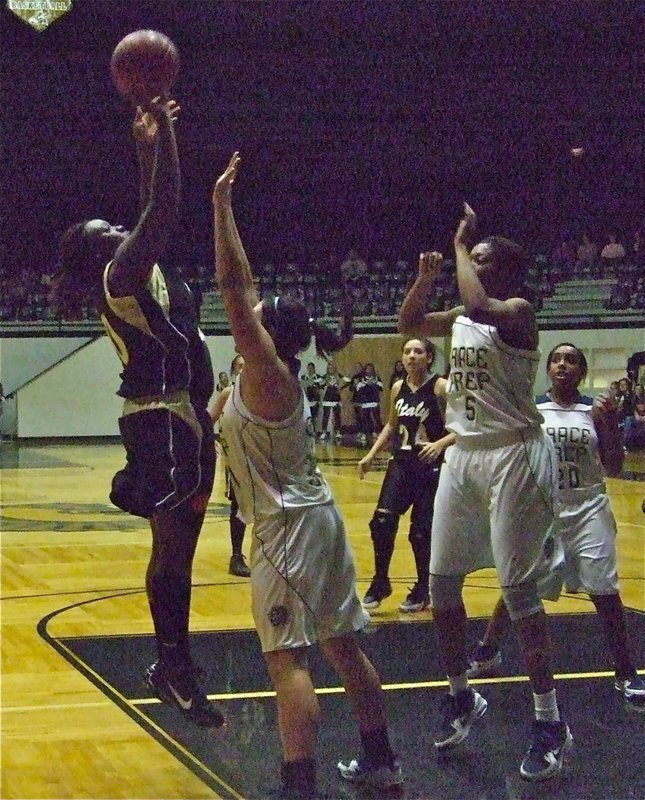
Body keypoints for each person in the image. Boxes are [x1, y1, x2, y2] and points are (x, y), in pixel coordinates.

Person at [213, 152, 402, 799]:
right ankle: (381, 760)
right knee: (341, 648)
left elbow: (235, 289)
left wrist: (221, 208)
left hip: (288, 528)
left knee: (285, 658)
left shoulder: (267, 373)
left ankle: (299, 787)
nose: (248, 312)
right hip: (310, 518)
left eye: (257, 315)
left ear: (267, 333)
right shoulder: (256, 379)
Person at [52, 98, 223, 728]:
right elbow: (163, 210)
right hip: (163, 419)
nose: (118, 229)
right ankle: (174, 668)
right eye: (107, 232)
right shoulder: (121, 276)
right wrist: (168, 137)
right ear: (101, 256)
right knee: (173, 549)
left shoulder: (137, 270)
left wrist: (146, 142)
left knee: (178, 547)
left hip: (185, 416)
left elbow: (149, 210)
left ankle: (172, 661)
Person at [398, 203, 571, 782]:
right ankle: (460, 694)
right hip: (465, 454)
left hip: (513, 454)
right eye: (473, 257)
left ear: (506, 271)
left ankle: (549, 721)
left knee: (518, 593)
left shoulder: (516, 312)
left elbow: (477, 304)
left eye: (482, 259)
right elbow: (408, 326)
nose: (472, 263)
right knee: (441, 583)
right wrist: (423, 282)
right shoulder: (461, 316)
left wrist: (456, 246)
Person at [466, 343, 645, 711]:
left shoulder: (595, 411)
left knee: (603, 586)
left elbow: (612, 465)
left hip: (588, 504)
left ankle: (626, 671)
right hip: (543, 506)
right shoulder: (533, 410)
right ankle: (487, 649)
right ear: (548, 369)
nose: (563, 364)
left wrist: (609, 423)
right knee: (522, 581)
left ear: (581, 372)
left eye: (572, 360)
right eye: (557, 359)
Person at [358, 338, 455, 613]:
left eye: (418, 351)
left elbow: (464, 427)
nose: (412, 356)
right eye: (407, 351)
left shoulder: (440, 388)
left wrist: (439, 445)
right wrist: (370, 455)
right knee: (381, 522)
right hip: (401, 463)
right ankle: (380, 581)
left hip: (430, 467)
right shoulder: (398, 387)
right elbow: (391, 425)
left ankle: (423, 587)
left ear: (428, 357)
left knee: (420, 532)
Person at [209, 356, 251, 578]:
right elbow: (209, 419)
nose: (244, 370)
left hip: (261, 456)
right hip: (237, 459)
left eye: (247, 365)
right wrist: (210, 438)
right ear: (234, 370)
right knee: (238, 506)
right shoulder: (229, 394)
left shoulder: (263, 390)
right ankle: (236, 556)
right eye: (240, 366)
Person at [300, 361, 324, 434]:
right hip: (306, 401)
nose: (310, 369)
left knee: (314, 416)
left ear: (314, 369)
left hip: (315, 401)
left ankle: (314, 430)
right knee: (306, 416)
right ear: (307, 368)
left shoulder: (319, 378)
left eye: (312, 368)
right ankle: (306, 430)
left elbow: (322, 389)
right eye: (309, 368)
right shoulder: (303, 377)